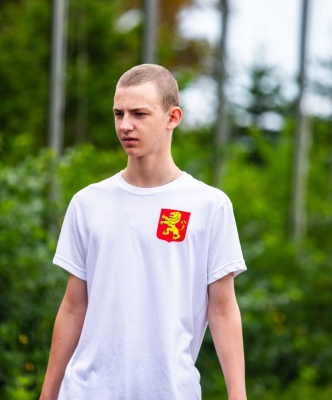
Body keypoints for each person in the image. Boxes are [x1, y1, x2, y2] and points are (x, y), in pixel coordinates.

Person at [40, 64, 247, 400]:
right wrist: (47, 395)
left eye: (139, 114)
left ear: (172, 117)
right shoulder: (88, 202)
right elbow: (74, 306)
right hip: (86, 391)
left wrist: (238, 396)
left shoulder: (209, 205)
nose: (125, 125)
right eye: (118, 113)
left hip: (170, 391)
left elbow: (222, 310)